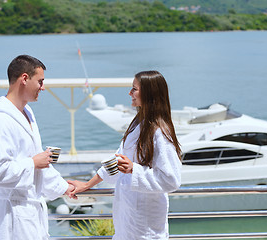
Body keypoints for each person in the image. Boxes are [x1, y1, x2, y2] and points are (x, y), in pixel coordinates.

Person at [68, 70, 182, 240]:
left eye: (134, 89)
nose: (130, 93)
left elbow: (171, 179)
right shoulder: (138, 124)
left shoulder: (160, 133)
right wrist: (87, 185)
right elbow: (117, 162)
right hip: (127, 221)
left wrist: (134, 170)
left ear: (149, 93)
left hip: (146, 225)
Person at [0, 55, 75, 240]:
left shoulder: (27, 114)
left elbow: (39, 166)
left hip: (29, 214)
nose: (43, 87)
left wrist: (65, 186)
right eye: (40, 81)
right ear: (24, 78)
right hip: (9, 218)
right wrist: (32, 163)